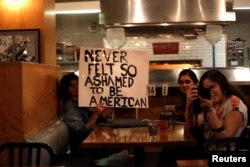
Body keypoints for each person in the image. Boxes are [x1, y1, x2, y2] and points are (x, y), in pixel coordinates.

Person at [185, 69, 248, 143]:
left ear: (222, 85)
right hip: (209, 149)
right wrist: (189, 106)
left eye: (212, 87)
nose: (210, 92)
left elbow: (225, 138)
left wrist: (210, 110)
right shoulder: (216, 104)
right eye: (206, 90)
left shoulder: (234, 104)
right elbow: (192, 126)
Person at [58, 73, 112, 156]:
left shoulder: (80, 103)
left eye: (78, 84)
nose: (77, 87)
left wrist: (104, 113)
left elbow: (93, 119)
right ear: (66, 89)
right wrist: (96, 114)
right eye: (72, 86)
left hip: (92, 144)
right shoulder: (70, 107)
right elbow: (80, 132)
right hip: (84, 150)